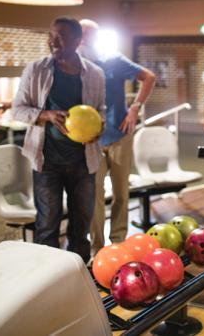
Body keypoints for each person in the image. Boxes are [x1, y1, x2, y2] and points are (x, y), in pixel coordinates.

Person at [12, 17, 105, 263]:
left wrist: (98, 127)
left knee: (80, 228)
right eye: (51, 35)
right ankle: (47, 279)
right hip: (47, 162)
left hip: (84, 162)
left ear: (77, 41)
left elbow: (100, 111)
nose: (52, 41)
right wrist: (46, 115)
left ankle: (78, 277)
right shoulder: (36, 70)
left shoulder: (95, 74)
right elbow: (18, 109)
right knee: (47, 226)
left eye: (60, 36)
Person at [78, 19, 156, 255]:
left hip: (120, 134)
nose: (83, 39)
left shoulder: (114, 59)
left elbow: (149, 77)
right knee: (95, 196)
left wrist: (135, 108)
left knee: (121, 193)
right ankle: (98, 249)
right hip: (91, 140)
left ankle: (118, 243)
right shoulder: (75, 65)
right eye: (80, 35)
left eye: (87, 34)